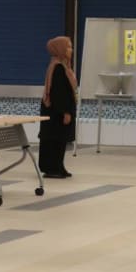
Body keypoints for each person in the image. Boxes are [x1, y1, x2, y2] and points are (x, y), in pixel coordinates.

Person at [38, 36, 77, 179]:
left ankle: (59, 166)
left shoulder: (63, 66)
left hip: (58, 111)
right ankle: (52, 168)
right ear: (60, 49)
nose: (71, 50)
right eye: (68, 47)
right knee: (54, 139)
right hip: (56, 112)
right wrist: (65, 112)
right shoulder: (58, 68)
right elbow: (58, 93)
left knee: (60, 140)